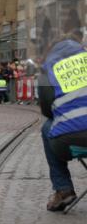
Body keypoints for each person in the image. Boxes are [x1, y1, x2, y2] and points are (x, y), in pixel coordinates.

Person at [38, 20, 87, 212]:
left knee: (46, 128)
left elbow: (46, 110)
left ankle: (63, 190)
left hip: (66, 141)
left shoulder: (47, 68)